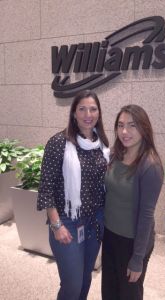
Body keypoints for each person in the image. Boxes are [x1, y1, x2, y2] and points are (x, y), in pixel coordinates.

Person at [37, 90, 110, 300]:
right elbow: (46, 187)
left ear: (99, 113)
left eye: (93, 109)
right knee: (72, 284)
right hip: (67, 221)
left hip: (94, 221)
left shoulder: (102, 144)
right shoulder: (59, 142)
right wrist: (56, 224)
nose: (88, 114)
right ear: (74, 113)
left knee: (86, 279)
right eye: (82, 109)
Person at [101, 104, 163, 300]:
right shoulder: (114, 155)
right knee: (109, 292)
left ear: (144, 128)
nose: (125, 131)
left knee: (129, 295)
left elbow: (146, 216)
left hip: (133, 243)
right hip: (110, 236)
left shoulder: (150, 165)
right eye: (120, 125)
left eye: (132, 125)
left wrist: (137, 259)